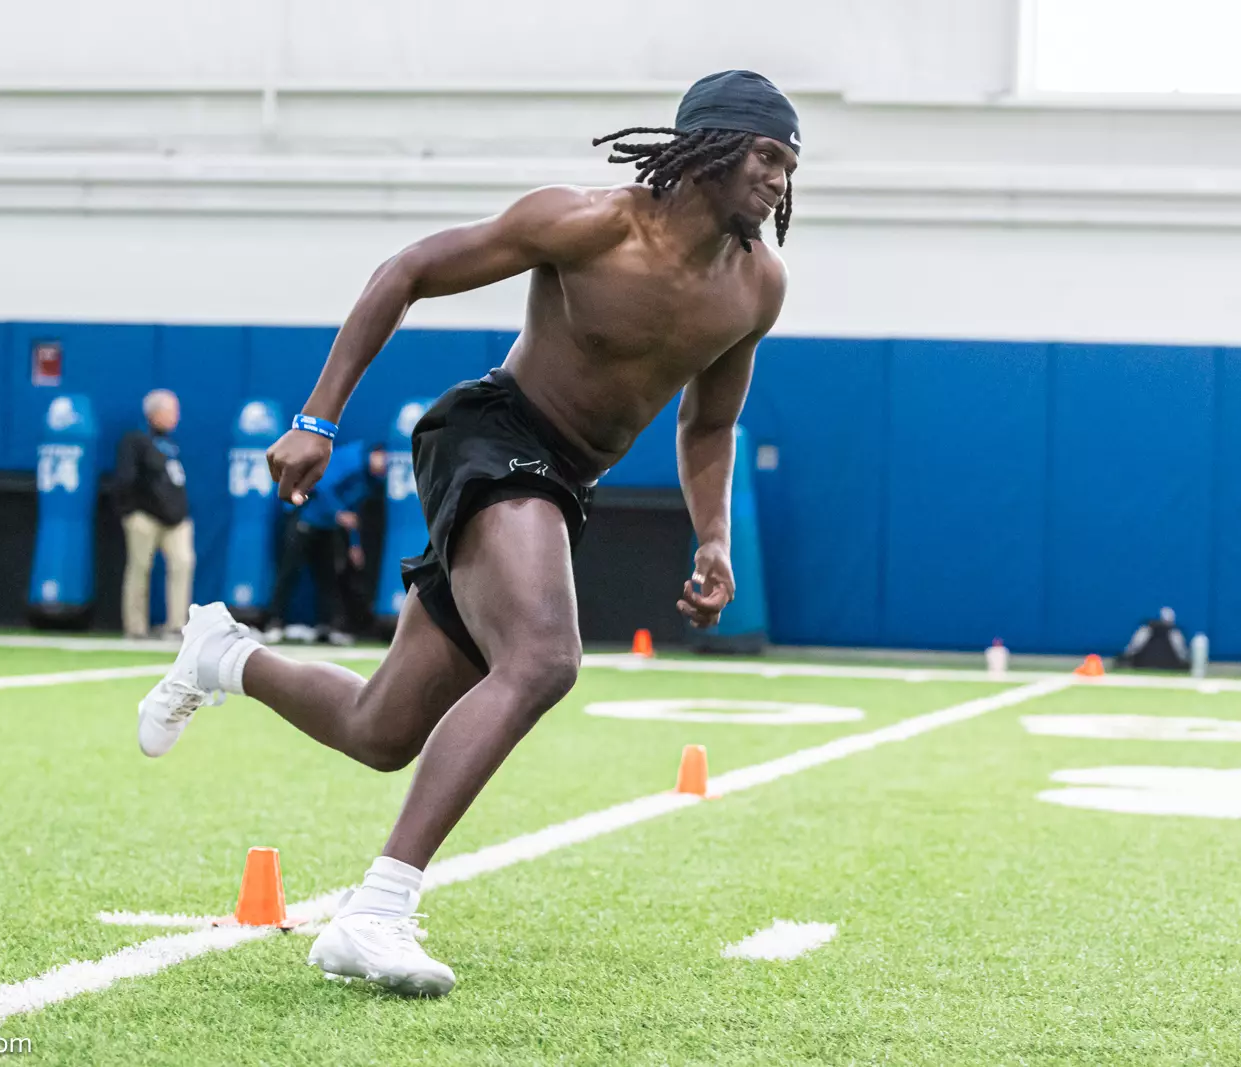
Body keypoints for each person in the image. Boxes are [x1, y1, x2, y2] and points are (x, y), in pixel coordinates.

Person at [137, 70, 798, 995]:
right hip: (491, 435)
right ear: (710, 148)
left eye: (791, 164)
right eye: (766, 156)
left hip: (560, 480)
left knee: (381, 729)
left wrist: (715, 538)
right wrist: (318, 421)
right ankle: (377, 911)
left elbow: (709, 426)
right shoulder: (585, 222)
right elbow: (406, 272)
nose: (779, 179)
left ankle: (221, 657)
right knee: (543, 657)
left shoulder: (758, 285)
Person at [260, 441, 385, 646]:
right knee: (289, 573)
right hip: (306, 519)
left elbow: (352, 511)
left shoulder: (372, 482)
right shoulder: (351, 461)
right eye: (383, 459)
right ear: (376, 453)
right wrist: (338, 513)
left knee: (329, 577)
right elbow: (322, 485)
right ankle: (273, 623)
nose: (385, 466)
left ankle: (329, 626)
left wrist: (354, 544)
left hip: (329, 528)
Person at [115, 389, 192, 639]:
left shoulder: (170, 444)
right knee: (140, 569)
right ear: (155, 413)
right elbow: (125, 480)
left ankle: (177, 625)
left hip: (175, 520)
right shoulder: (135, 440)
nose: (176, 417)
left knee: (182, 564)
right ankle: (136, 628)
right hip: (145, 517)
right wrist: (131, 512)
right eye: (172, 411)